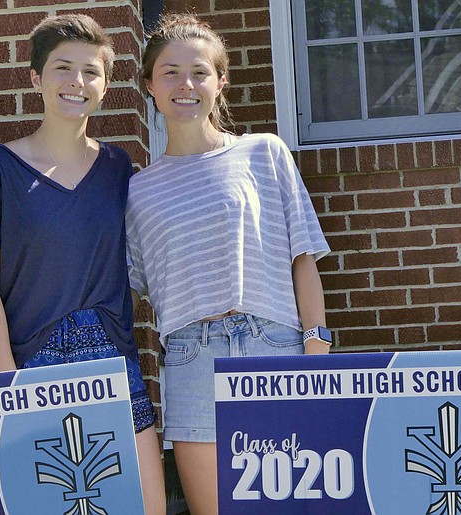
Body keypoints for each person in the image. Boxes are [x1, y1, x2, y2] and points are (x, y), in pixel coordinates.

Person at [0, 14, 165, 514]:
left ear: (105, 85)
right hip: (29, 361)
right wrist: (9, 385)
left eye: (90, 71)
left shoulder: (118, 169)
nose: (77, 82)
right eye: (62, 68)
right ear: (36, 78)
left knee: (145, 504)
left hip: (111, 361)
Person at [125, 13, 331, 515]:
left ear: (220, 81)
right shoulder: (137, 191)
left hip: (276, 347)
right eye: (170, 72)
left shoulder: (265, 154)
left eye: (199, 71)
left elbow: (303, 258)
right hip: (192, 358)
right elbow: (129, 291)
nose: (185, 84)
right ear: (150, 85)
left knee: (292, 508)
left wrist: (317, 346)